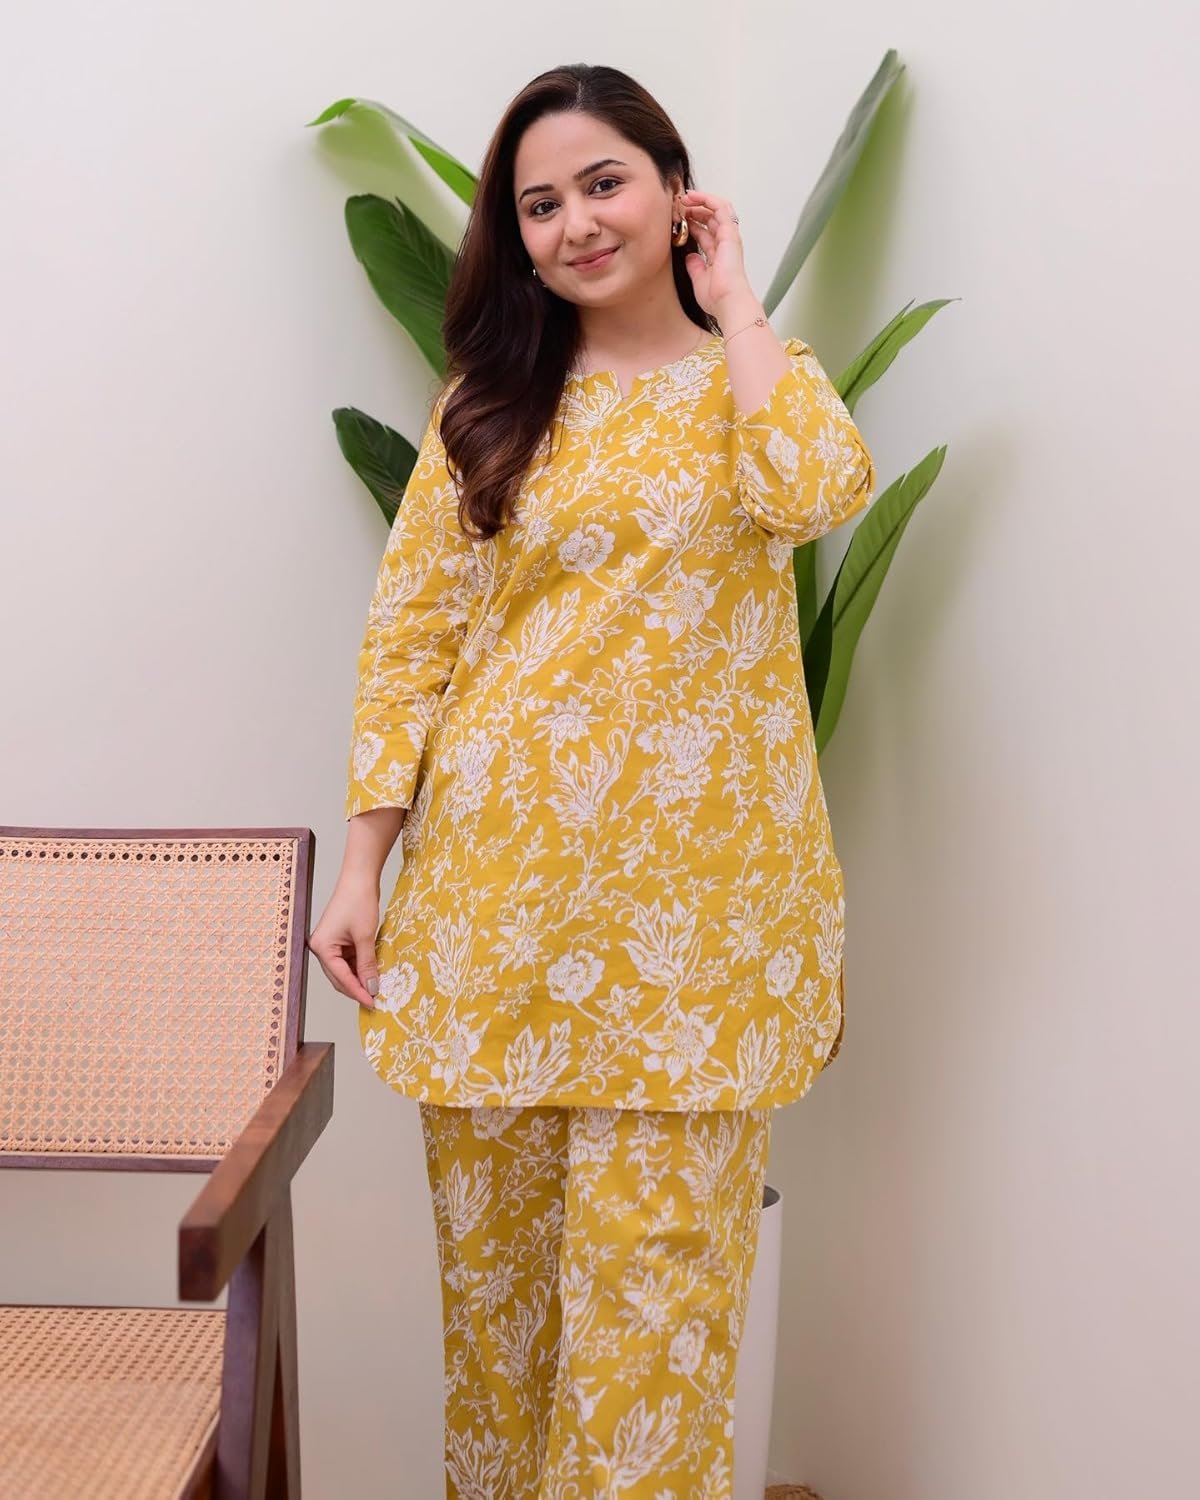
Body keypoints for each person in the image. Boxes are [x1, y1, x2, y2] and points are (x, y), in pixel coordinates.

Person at [309, 60, 876, 1500]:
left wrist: (736, 305)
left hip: (696, 944)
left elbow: (817, 491)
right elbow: (412, 641)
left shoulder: (760, 383)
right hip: (497, 924)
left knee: (655, 1353)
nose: (574, 224)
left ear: (675, 188)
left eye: (603, 183)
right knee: (502, 1343)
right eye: (540, 203)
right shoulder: (488, 407)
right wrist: (365, 863)